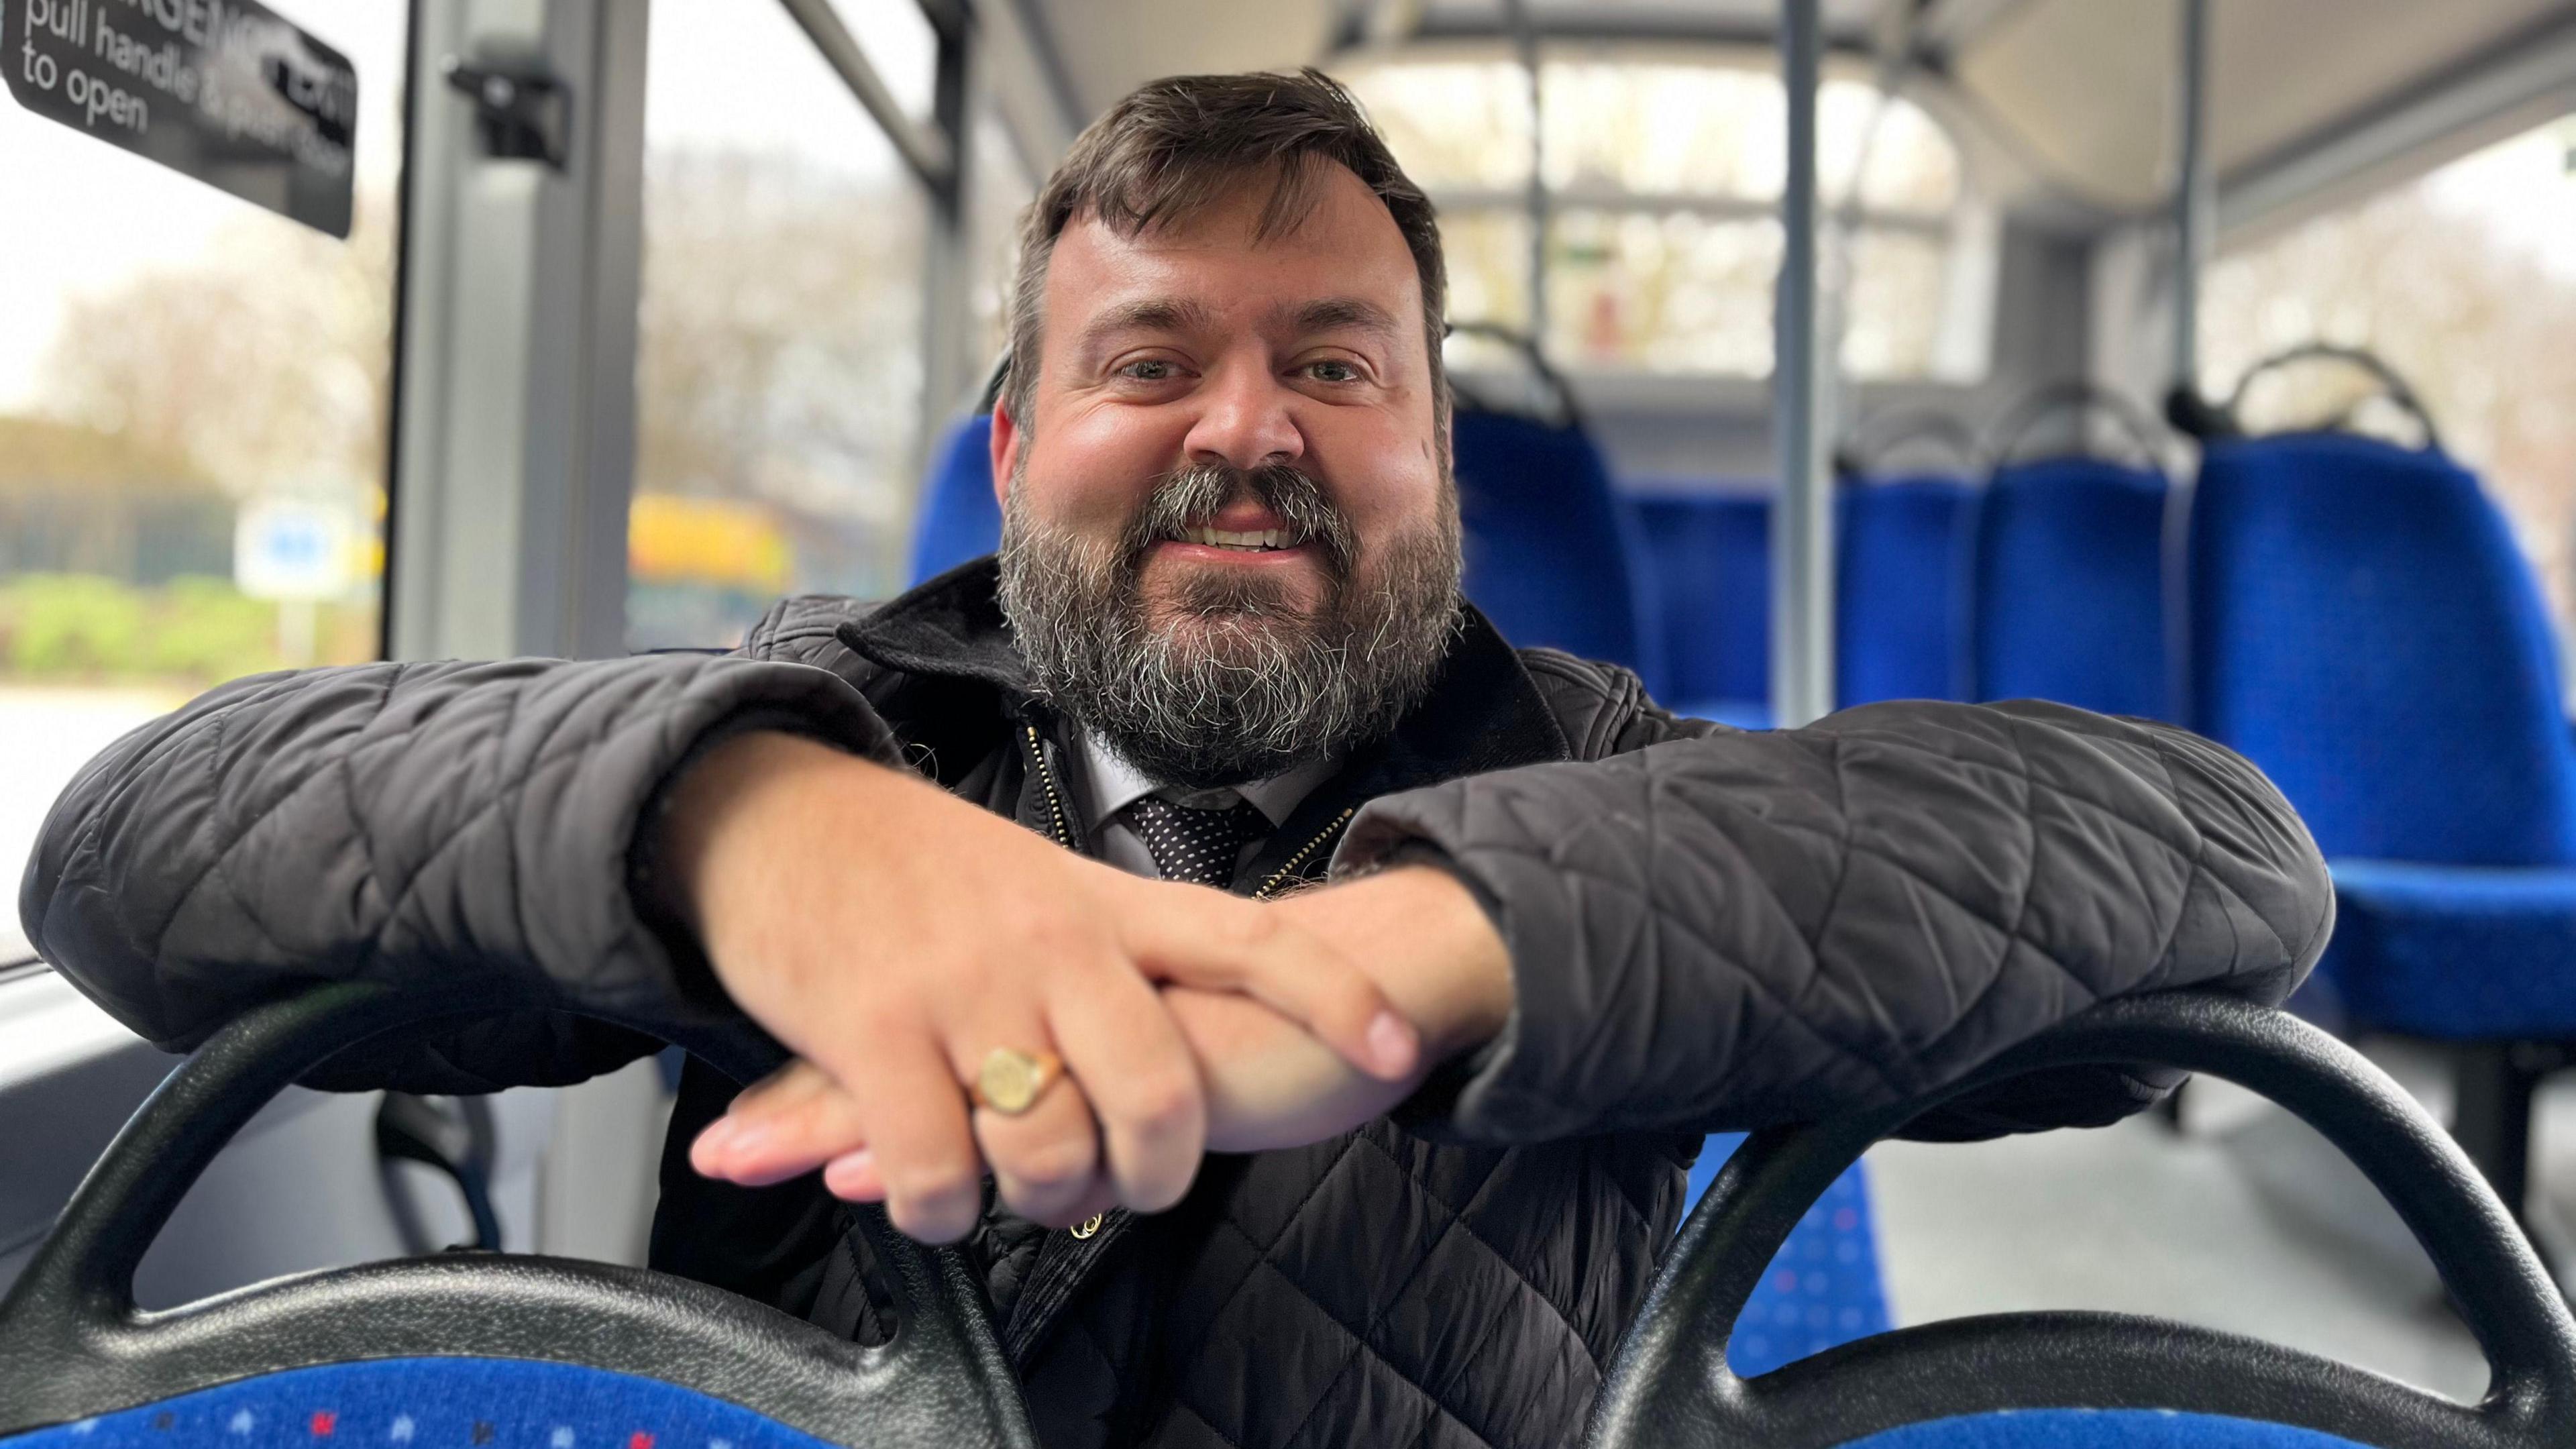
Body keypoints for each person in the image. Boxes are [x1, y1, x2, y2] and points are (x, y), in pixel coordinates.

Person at [21, 69, 2330, 1449]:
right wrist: (745, 827)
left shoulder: (1622, 784)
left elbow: (2223, 860)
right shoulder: (826, 717)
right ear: (1022, 452)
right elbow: (136, 847)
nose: (1247, 430)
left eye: (1338, 368)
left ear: (1440, 458)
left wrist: (1435, 953)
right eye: (1156, 363)